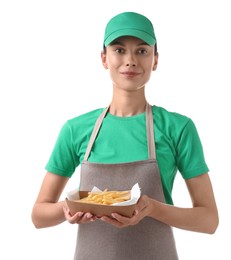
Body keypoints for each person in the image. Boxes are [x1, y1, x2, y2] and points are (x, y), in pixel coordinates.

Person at [31, 11, 219, 260]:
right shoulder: (75, 130)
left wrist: (152, 208)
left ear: (155, 59)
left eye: (142, 51)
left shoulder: (178, 128)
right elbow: (38, 215)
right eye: (119, 50)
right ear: (103, 58)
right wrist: (72, 206)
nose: (130, 60)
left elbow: (209, 220)